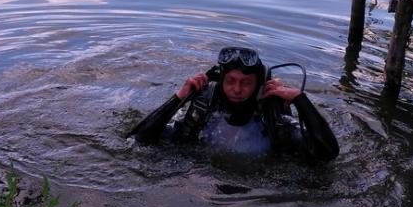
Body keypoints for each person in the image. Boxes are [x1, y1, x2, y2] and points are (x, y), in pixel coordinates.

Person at [128, 47, 339, 161]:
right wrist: (181, 96)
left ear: (259, 85)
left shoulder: (273, 122)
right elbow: (138, 139)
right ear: (220, 81)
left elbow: (326, 154)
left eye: (246, 83)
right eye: (230, 81)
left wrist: (300, 99)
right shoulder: (203, 115)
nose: (237, 90)